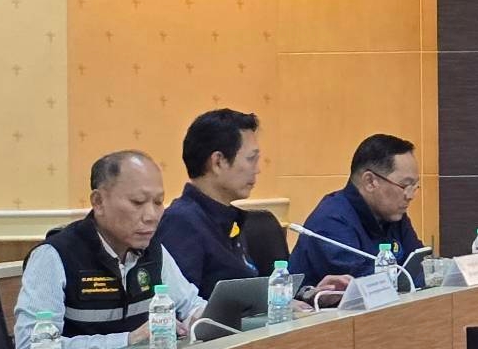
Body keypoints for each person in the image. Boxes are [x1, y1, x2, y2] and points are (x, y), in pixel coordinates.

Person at [13, 151, 205, 349]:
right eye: (138, 202)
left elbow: (190, 305)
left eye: (159, 202)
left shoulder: (153, 251)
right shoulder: (54, 256)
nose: (151, 216)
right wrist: (128, 342)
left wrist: (207, 317)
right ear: (98, 202)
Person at [154, 108, 350, 303]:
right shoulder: (182, 222)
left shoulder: (229, 218)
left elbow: (256, 293)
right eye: (251, 159)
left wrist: (310, 295)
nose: (257, 170)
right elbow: (184, 308)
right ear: (218, 162)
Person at [289, 135, 427, 287]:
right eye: (405, 185)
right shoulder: (330, 221)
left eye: (414, 186)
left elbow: (422, 267)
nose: (410, 196)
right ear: (370, 181)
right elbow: (367, 286)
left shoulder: (393, 214)